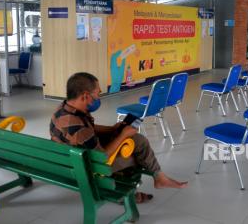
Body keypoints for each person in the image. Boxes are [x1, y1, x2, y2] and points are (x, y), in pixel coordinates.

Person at [50, 72, 187, 202]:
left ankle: (159, 177)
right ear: (85, 96)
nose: (99, 97)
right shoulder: (75, 125)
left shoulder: (65, 109)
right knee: (133, 154)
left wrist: (112, 129)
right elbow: (102, 158)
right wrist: (122, 135)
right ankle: (125, 196)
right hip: (83, 167)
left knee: (138, 140)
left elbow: (88, 129)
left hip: (72, 155)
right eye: (98, 93)